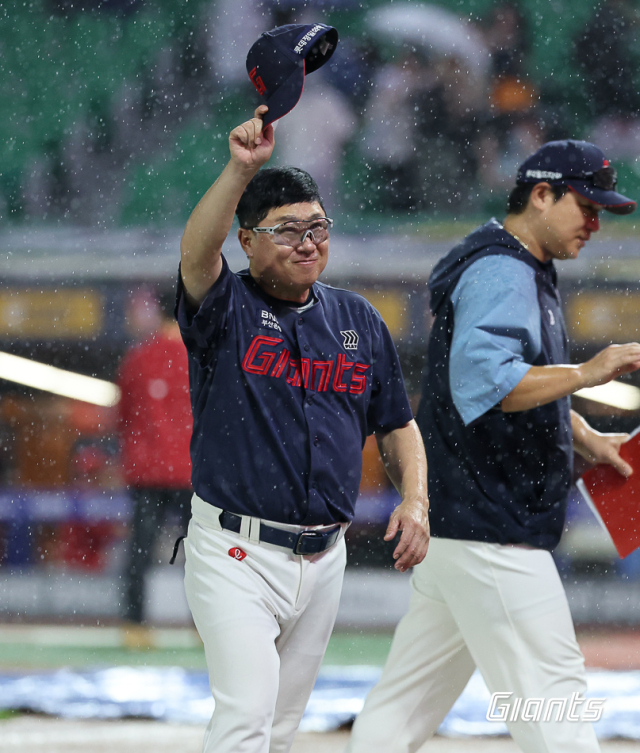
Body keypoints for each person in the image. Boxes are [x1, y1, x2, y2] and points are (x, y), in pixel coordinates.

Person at [346, 139, 640, 753]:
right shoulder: (506, 270)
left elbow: (494, 386)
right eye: (586, 206)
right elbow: (489, 384)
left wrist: (581, 436)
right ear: (541, 194)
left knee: (401, 711)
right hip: (492, 528)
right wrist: (589, 372)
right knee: (555, 702)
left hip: (463, 521)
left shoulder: (514, 264)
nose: (594, 223)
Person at [176, 104, 429, 753]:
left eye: (317, 226)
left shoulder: (359, 318)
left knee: (284, 730)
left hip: (326, 556)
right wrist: (240, 168)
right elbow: (194, 254)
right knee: (246, 718)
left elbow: (397, 423)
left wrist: (417, 500)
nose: (308, 241)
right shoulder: (226, 307)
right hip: (237, 550)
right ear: (247, 239)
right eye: (287, 230)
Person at [117, 292, 193, 629]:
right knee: (203, 554)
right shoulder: (201, 357)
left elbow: (123, 417)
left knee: (139, 550)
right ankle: (204, 628)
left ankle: (134, 624)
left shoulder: (137, 359)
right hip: (193, 472)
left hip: (146, 471)